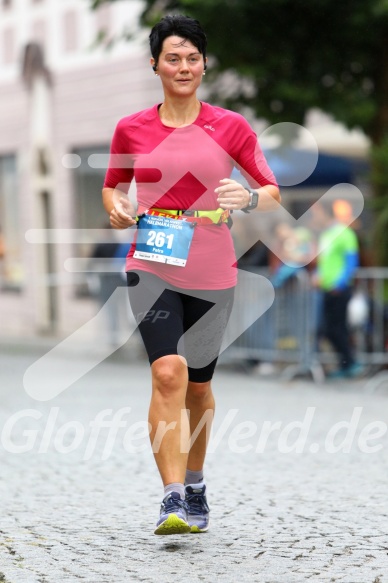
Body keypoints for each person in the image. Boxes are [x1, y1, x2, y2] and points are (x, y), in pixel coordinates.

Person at [102, 15, 280, 535]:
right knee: (167, 373)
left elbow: (270, 191)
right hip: (151, 263)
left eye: (192, 58)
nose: (183, 66)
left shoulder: (230, 126)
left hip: (210, 266)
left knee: (199, 388)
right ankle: (172, 499)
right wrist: (116, 206)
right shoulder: (131, 128)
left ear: (203, 65)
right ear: (155, 63)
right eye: (173, 57)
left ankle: (196, 483)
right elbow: (114, 186)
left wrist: (246, 196)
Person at [311, 200, 363, 379]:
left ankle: (350, 363)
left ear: (325, 213)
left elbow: (351, 261)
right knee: (329, 328)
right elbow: (325, 260)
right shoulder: (326, 234)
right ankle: (347, 363)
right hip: (327, 289)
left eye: (316, 212)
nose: (313, 216)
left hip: (338, 289)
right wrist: (317, 275)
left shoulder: (344, 232)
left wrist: (339, 284)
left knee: (335, 328)